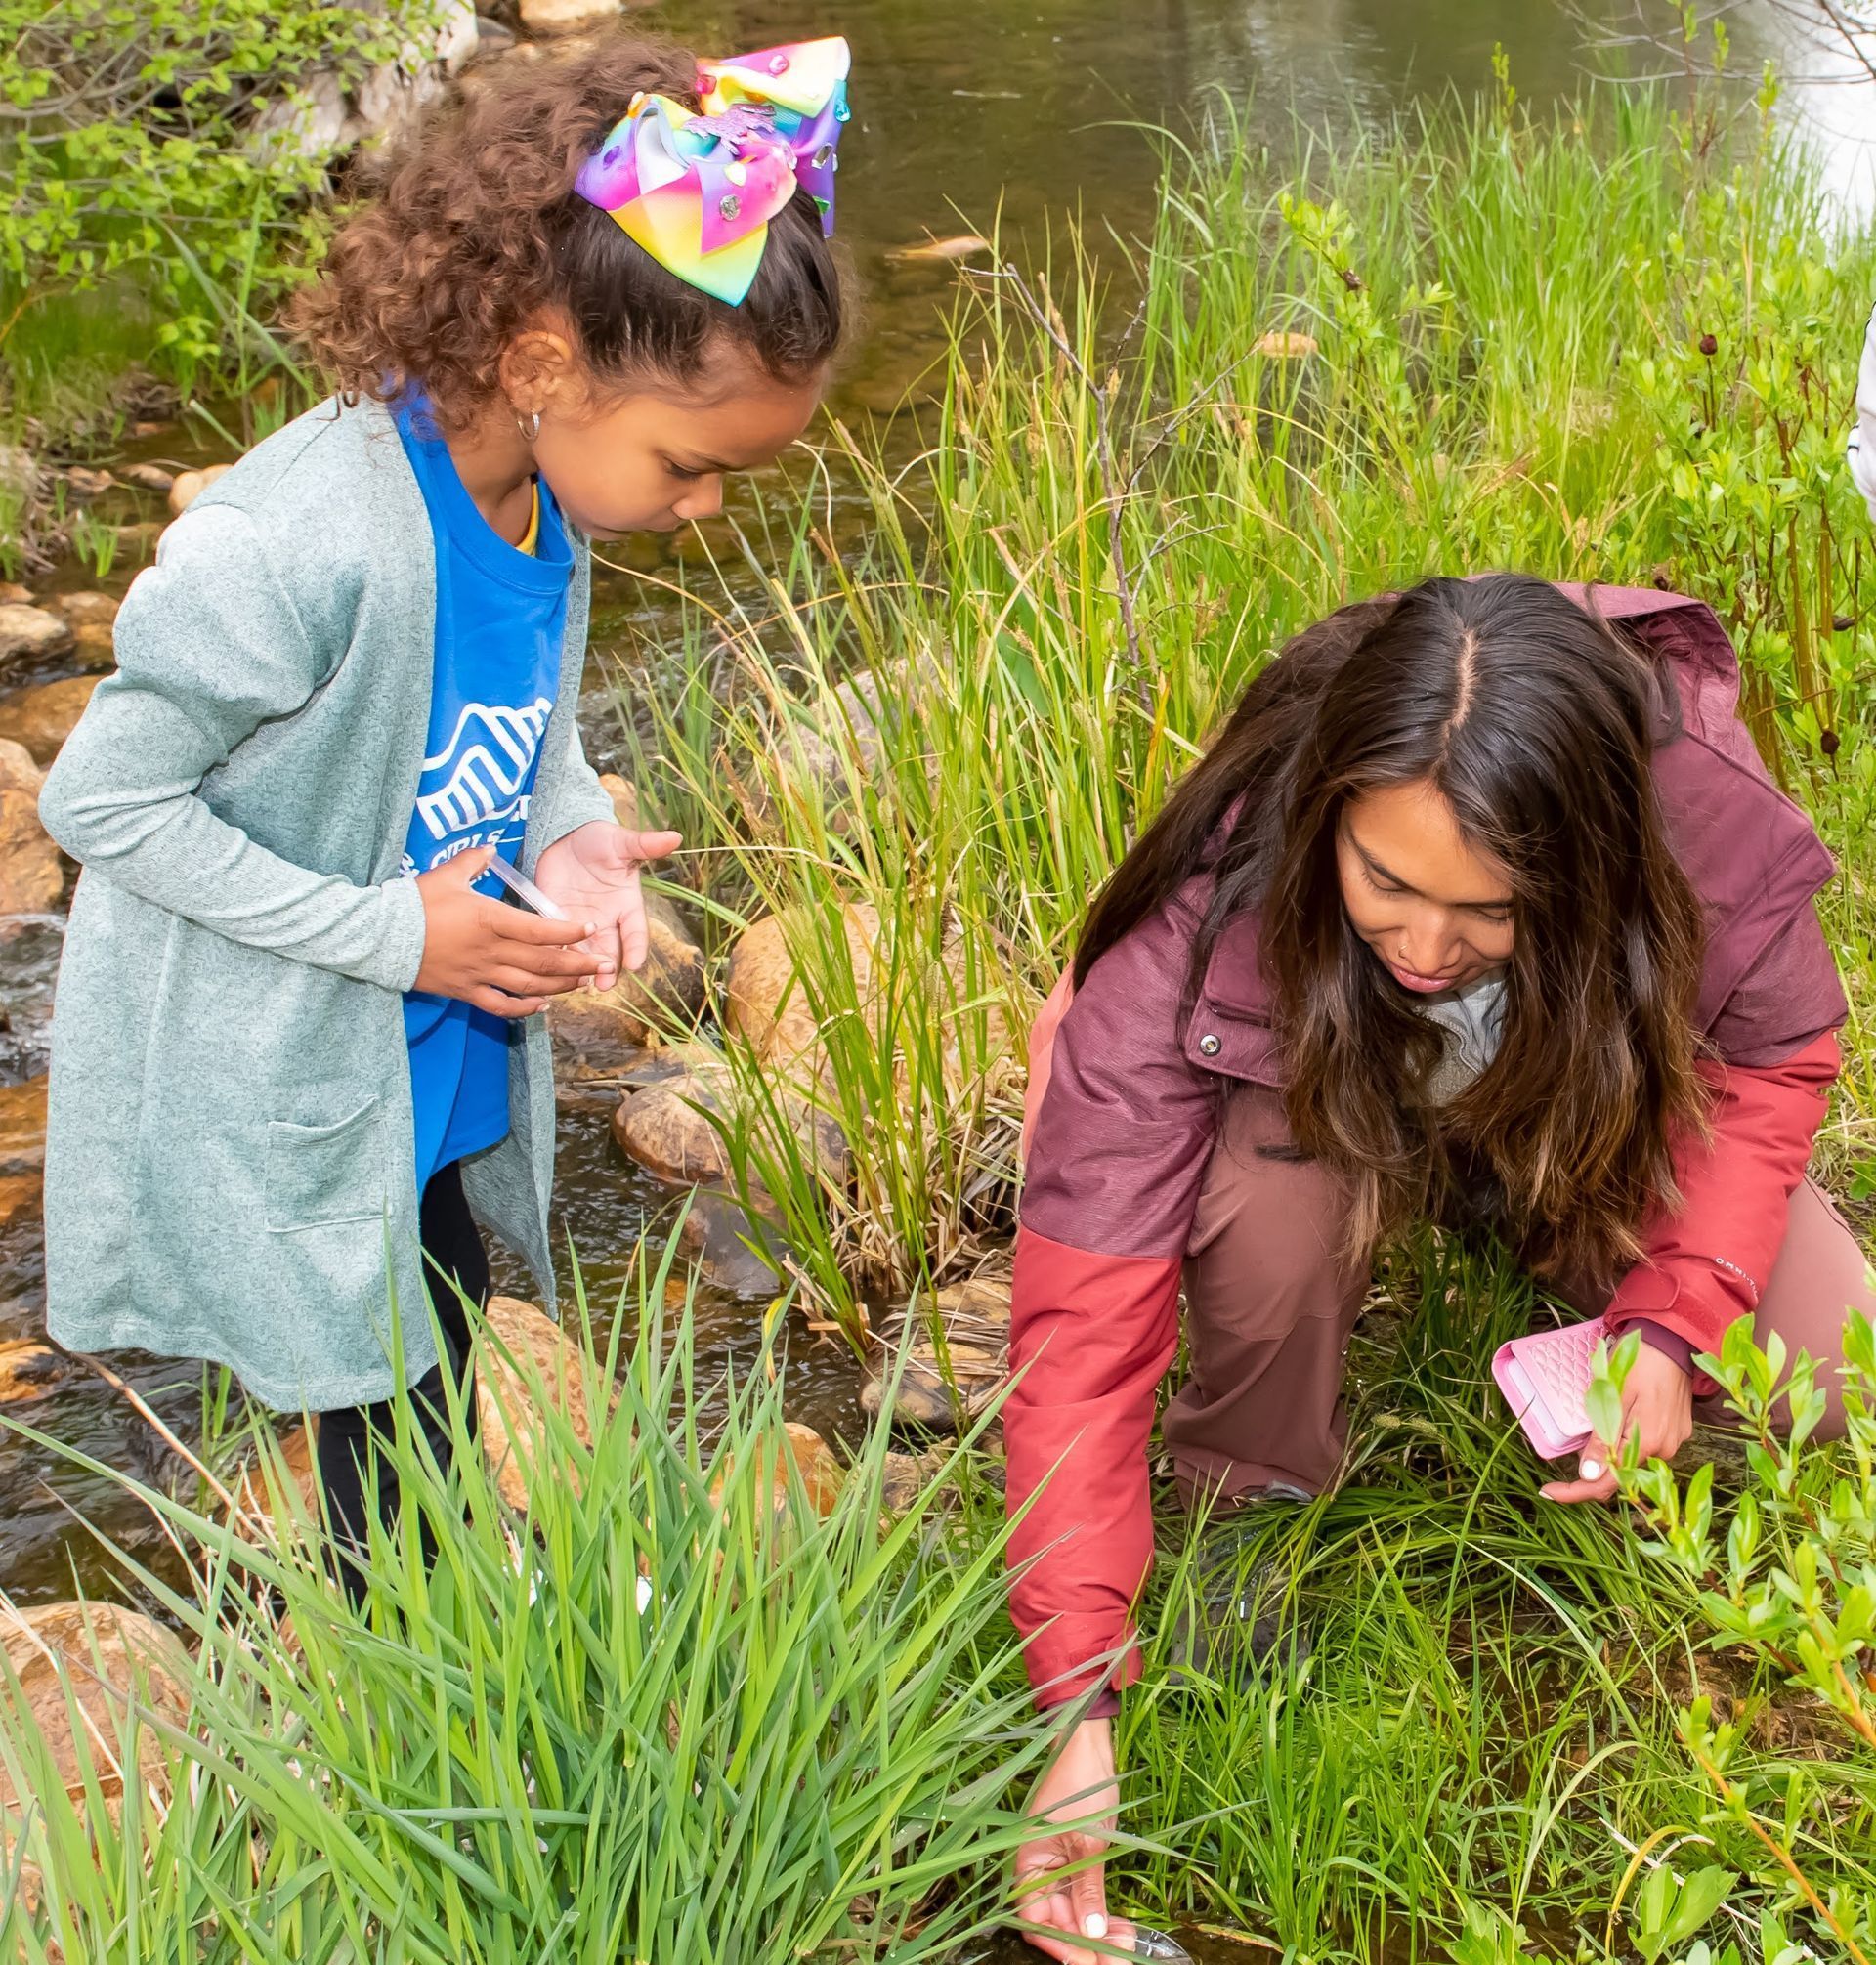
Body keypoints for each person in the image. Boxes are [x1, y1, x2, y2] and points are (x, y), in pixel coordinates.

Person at [37, 32, 852, 1596]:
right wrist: (391, 932)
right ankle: (398, 1700)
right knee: (370, 1409)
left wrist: (561, 827)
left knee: (448, 1312)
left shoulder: (538, 493)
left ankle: (440, 1605)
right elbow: (107, 800)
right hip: (301, 1066)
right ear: (544, 364)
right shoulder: (302, 544)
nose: (707, 508)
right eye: (690, 465)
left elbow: (509, 710)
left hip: (422, 1066)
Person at [1002, 575, 1871, 1962]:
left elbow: (1773, 1063)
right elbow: (1083, 1328)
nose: (1418, 944)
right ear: (1330, 812)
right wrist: (1077, 1707)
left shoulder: (1696, 818)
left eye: (1485, 909)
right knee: (1261, 1207)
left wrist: (1671, 1323)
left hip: (1562, 1104)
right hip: (1325, 1105)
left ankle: (1570, 1297)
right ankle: (1254, 1498)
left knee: (1830, 1373)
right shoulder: (1220, 895)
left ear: (1583, 870)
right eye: (1384, 881)